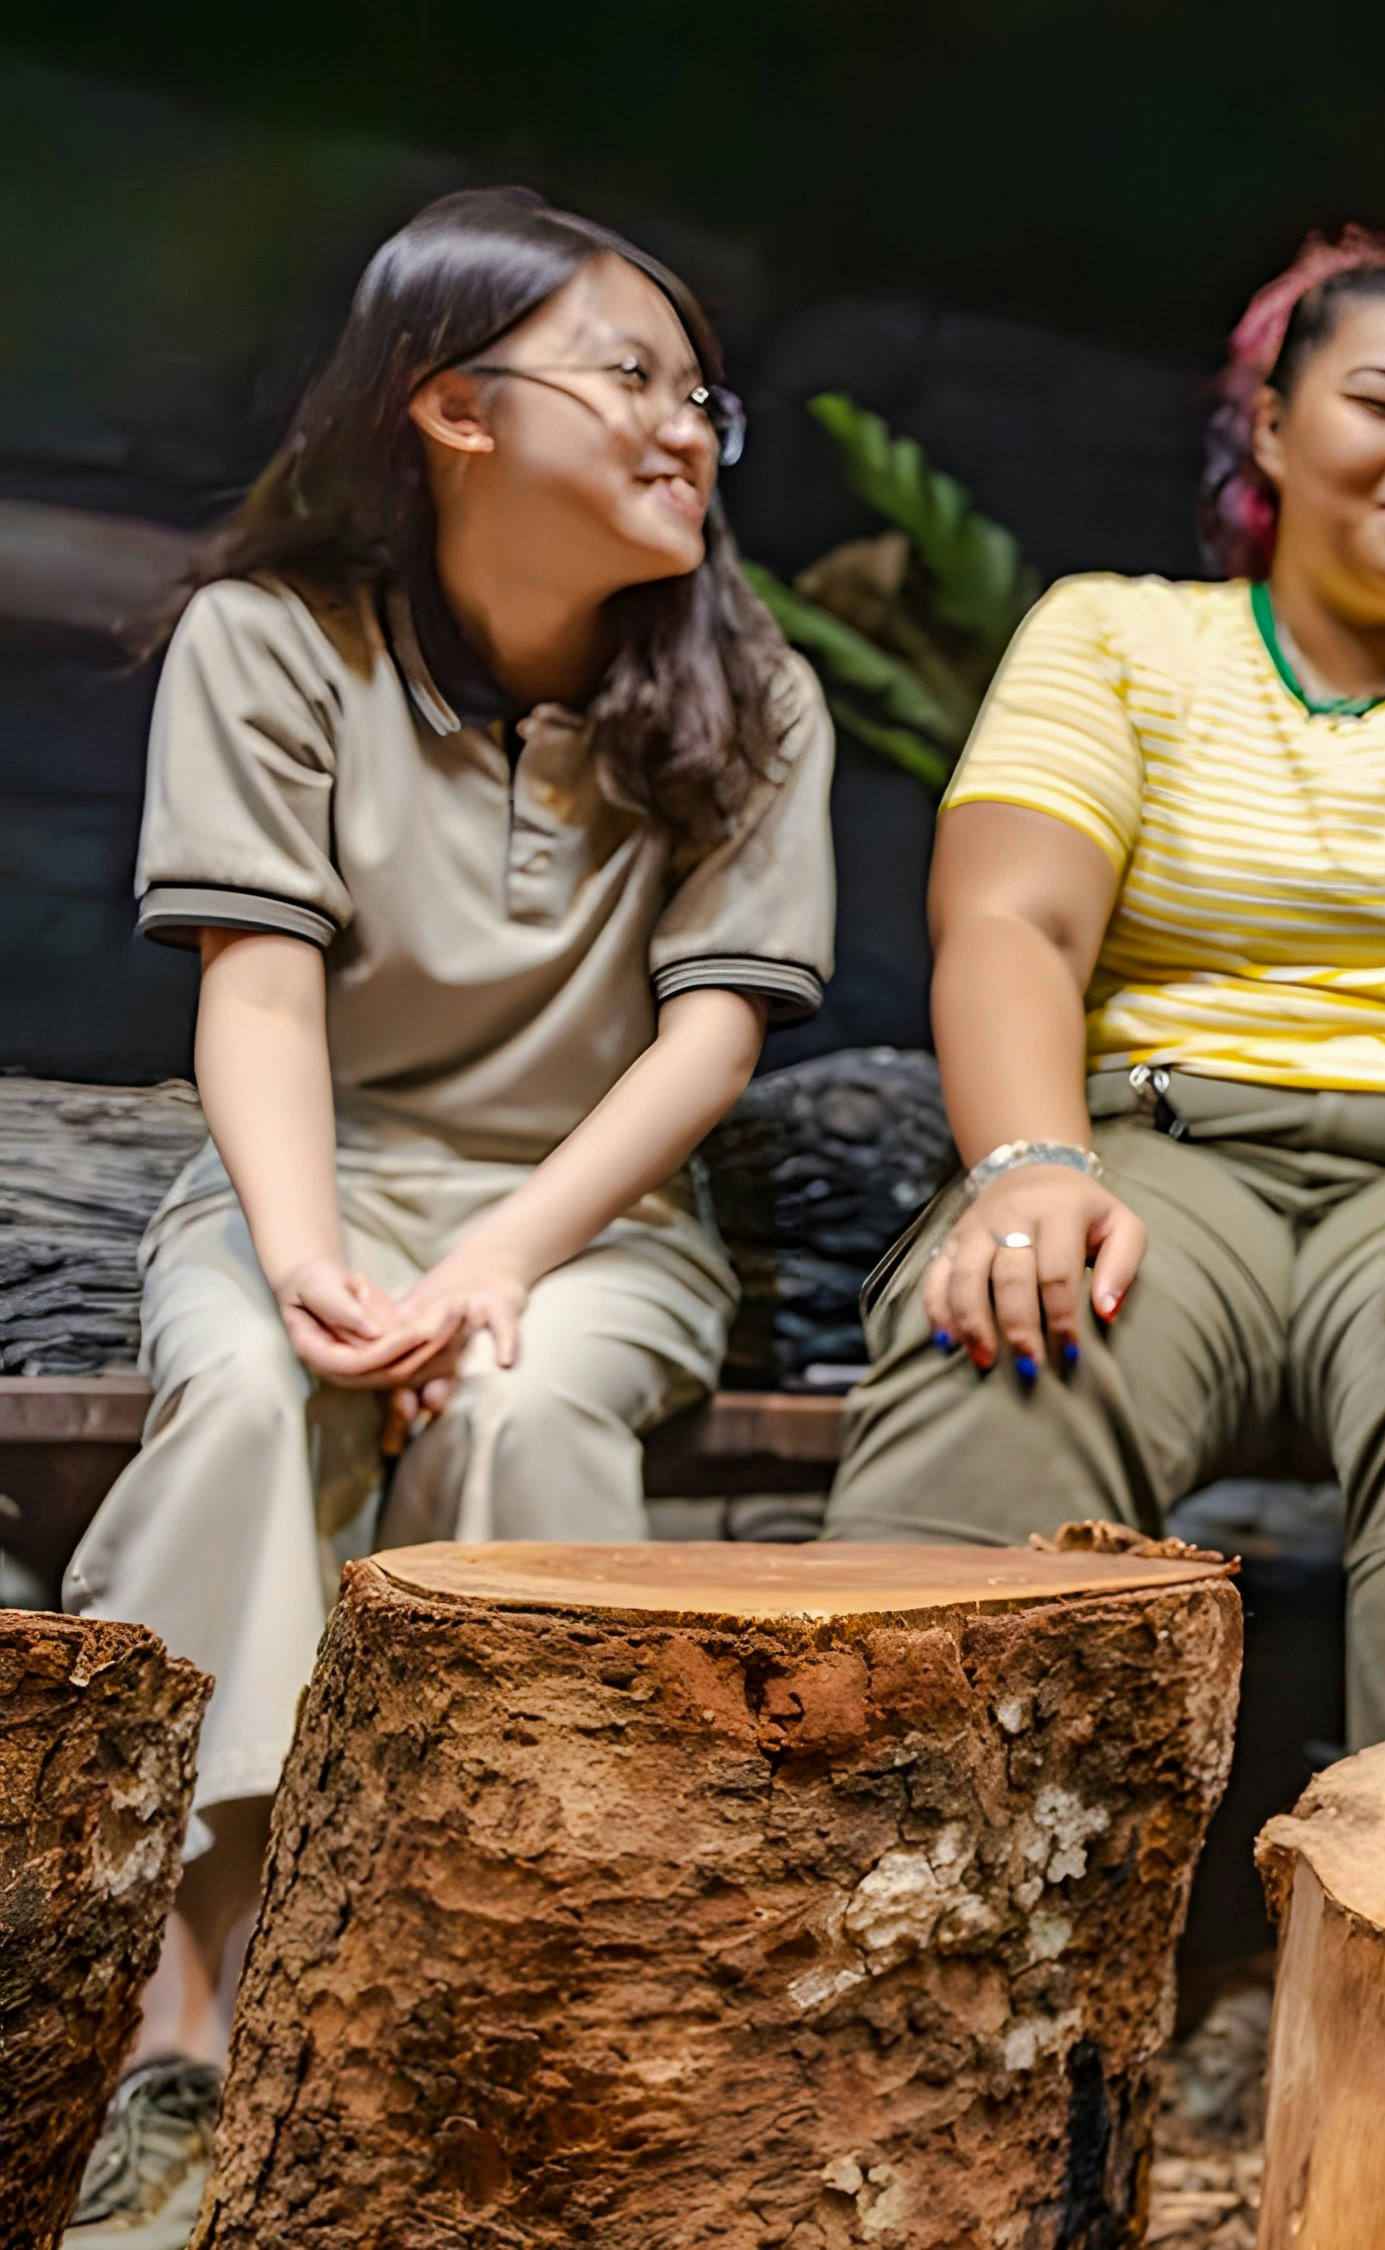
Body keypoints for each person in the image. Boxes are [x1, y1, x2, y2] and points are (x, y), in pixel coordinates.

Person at [61, 186, 833, 2225]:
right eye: (632, 377)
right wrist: (310, 1261)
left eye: (702, 397)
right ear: (453, 407)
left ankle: (518, 1994)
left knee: (519, 1403)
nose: (687, 426)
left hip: (587, 1222)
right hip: (311, 1178)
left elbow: (709, 1041)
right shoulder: (271, 643)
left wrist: (497, 1262)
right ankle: (180, 2034)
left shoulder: (749, 695)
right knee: (243, 1394)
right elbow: (259, 993)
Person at [819, 230, 1385, 1752]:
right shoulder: (1117, 633)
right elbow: (1011, 918)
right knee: (1018, 1331)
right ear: (1272, 428)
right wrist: (1030, 1170)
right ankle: (867, 1941)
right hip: (1158, 1159)